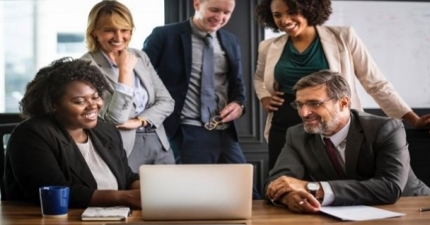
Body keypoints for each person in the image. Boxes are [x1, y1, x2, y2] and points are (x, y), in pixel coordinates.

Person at [254, 0, 430, 171]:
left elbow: (375, 82)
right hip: (284, 121)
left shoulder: (344, 37)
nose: (284, 20)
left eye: (292, 12)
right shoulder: (268, 46)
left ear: (308, 7)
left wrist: (413, 119)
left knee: (331, 181)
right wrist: (264, 97)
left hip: (331, 120)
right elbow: (259, 78)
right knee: (281, 180)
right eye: (277, 15)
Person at [265, 70, 430, 213]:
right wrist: (290, 197)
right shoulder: (297, 134)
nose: (304, 113)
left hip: (411, 208)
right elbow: (277, 182)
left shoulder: (386, 128)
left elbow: (389, 187)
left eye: (314, 103)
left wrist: (312, 188)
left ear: (343, 103)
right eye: (299, 105)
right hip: (341, 214)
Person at [3, 58, 141, 208]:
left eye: (95, 97)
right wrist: (124, 198)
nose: (93, 105)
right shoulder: (31, 135)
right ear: (53, 105)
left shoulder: (105, 129)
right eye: (80, 101)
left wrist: (152, 189)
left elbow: (126, 177)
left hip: (108, 217)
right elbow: (54, 191)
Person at [142, 0, 247, 166]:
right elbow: (141, 77)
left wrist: (239, 105)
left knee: (245, 189)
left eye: (227, 13)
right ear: (197, 4)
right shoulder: (164, 35)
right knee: (194, 190)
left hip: (225, 132)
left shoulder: (231, 40)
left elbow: (238, 85)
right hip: (186, 131)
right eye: (214, 10)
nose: (220, 17)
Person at [81, 0, 175, 172]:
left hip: (158, 141)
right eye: (109, 30)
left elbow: (167, 102)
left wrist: (139, 121)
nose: (119, 37)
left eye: (124, 30)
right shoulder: (86, 66)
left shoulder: (140, 56)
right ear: (94, 32)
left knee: (170, 196)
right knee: (130, 198)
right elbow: (115, 119)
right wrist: (124, 72)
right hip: (122, 146)